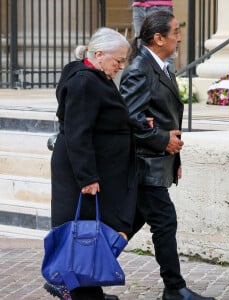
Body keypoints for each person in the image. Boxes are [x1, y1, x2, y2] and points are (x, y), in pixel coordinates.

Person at [120, 11, 216, 300]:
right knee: (165, 221)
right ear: (158, 37)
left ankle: (81, 280)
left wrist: (174, 157)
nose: (179, 36)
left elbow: (162, 118)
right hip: (143, 164)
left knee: (126, 225)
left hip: (157, 161)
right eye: (175, 32)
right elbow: (129, 120)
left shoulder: (161, 66)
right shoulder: (140, 68)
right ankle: (174, 288)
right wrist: (163, 142)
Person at [43, 27, 140, 300]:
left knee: (91, 231)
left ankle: (82, 286)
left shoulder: (96, 77)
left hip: (94, 168)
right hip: (81, 171)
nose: (121, 66)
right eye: (118, 60)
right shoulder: (85, 82)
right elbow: (77, 131)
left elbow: (106, 116)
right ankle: (71, 284)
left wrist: (137, 124)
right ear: (99, 55)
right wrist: (87, 177)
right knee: (83, 232)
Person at [132, 0, 175, 72]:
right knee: (141, 49)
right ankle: (143, 81)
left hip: (160, 6)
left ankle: (167, 82)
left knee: (164, 48)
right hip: (138, 6)